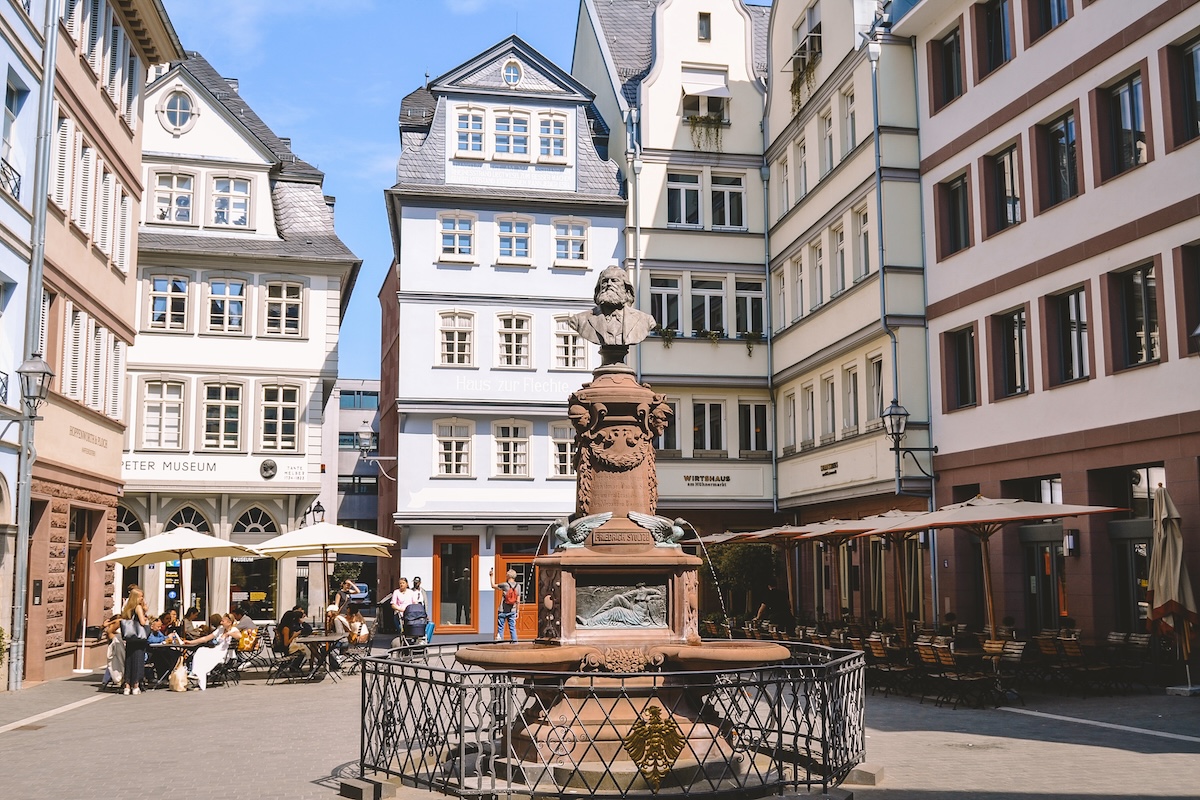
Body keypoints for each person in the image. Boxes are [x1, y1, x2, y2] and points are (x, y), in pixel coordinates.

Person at [568, 265, 656, 349]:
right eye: (605, 281)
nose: (609, 284)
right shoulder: (581, 320)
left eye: (614, 280)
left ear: (626, 288)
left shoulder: (645, 320)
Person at [186, 613, 242, 690]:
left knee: (206, 654)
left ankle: (199, 674)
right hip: (216, 650)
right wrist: (191, 642)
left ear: (229, 622)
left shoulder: (234, 629)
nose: (221, 623)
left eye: (223, 621)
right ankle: (195, 672)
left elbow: (239, 636)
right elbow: (206, 638)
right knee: (200, 650)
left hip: (224, 653)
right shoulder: (220, 629)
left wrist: (228, 633)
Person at [119, 588, 150, 695]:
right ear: (136, 597)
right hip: (138, 639)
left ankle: (127, 685)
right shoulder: (138, 607)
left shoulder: (127, 608)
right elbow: (142, 622)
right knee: (137, 660)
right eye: (141, 596)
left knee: (129, 660)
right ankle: (135, 685)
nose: (142, 598)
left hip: (130, 638)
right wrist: (145, 613)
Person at [489, 568, 519, 642]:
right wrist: (517, 611)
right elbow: (518, 600)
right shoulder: (518, 586)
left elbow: (493, 586)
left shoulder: (505, 585)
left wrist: (491, 576)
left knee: (500, 628)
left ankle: (500, 643)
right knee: (512, 628)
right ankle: (515, 643)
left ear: (508, 576)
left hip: (502, 610)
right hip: (513, 610)